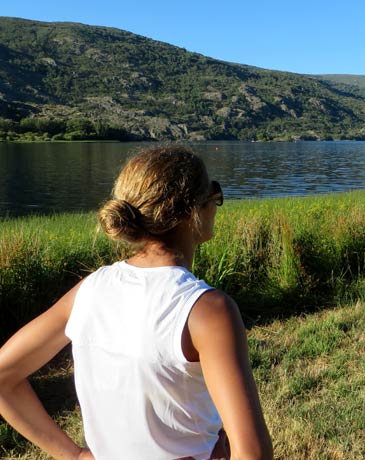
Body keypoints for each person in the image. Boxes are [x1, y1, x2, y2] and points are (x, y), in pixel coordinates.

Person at [0, 146, 273, 460]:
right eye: (214, 192)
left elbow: (3, 376)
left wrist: (73, 455)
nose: (217, 202)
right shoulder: (207, 310)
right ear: (190, 211)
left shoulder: (90, 290)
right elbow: (252, 453)